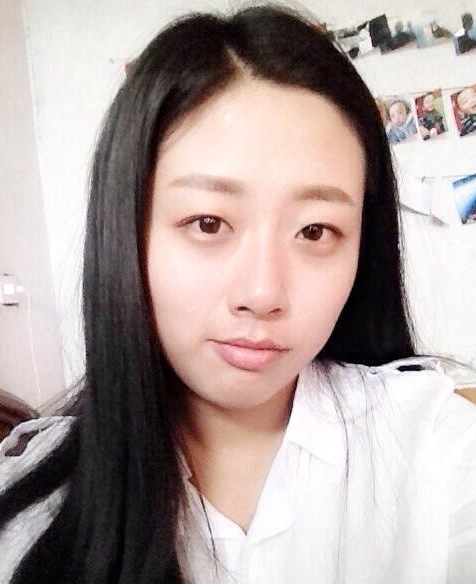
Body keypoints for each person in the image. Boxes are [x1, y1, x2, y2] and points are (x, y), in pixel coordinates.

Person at [1, 4, 476, 584]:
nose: (262, 293)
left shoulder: (439, 452)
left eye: (315, 231)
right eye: (208, 223)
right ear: (125, 230)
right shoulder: (26, 513)